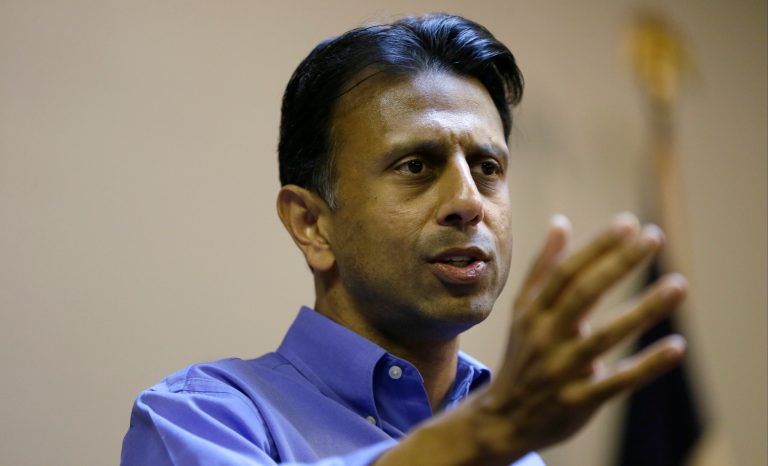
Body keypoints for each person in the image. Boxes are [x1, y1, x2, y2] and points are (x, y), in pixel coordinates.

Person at [120, 13, 688, 466]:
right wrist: (487, 432)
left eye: (488, 167)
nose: (469, 202)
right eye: (417, 165)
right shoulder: (198, 420)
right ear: (311, 224)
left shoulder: (519, 454)